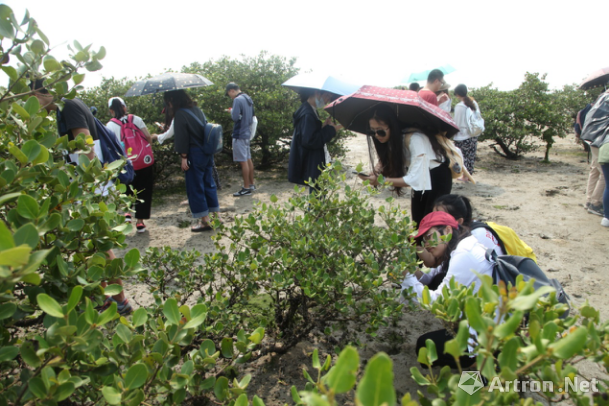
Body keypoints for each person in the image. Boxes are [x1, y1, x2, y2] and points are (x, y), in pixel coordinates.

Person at [31, 80, 132, 315]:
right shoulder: (66, 107)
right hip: (90, 184)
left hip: (90, 185)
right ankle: (107, 296)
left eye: (31, 96)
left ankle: (120, 300)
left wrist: (82, 188)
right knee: (91, 244)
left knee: (99, 242)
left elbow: (87, 147)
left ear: (39, 92)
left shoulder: (69, 106)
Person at [402, 211, 494, 368]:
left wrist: (405, 277)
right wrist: (407, 269)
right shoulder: (463, 245)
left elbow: (436, 302)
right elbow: (430, 278)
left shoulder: (464, 254)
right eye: (424, 240)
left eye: (430, 237)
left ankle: (480, 371)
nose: (427, 244)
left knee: (426, 346)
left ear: (448, 231)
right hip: (485, 322)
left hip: (490, 333)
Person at [358, 104, 452, 225]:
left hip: (437, 176)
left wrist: (381, 180)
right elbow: (387, 157)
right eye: (373, 131)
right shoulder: (393, 138)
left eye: (380, 131)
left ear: (392, 126)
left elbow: (414, 179)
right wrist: (376, 171)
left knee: (431, 222)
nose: (376, 135)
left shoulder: (416, 139)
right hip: (420, 175)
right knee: (417, 221)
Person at [164, 89, 219, 232]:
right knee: (209, 184)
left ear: (172, 100)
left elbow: (182, 139)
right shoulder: (197, 109)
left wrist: (183, 158)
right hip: (206, 152)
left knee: (195, 187)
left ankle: (205, 222)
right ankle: (215, 218)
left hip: (194, 154)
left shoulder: (180, 114)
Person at [106, 97, 154, 233]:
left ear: (111, 110)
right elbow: (148, 136)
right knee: (144, 190)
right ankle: (140, 222)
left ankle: (127, 213)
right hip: (143, 160)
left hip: (126, 163)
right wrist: (148, 149)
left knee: (125, 187)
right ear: (124, 107)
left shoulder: (110, 125)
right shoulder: (136, 119)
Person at [151, 109, 222, 191]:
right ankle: (213, 190)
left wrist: (156, 136)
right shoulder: (193, 111)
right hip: (205, 145)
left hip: (194, 150)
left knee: (197, 177)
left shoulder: (178, 116)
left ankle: (201, 195)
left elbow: (171, 134)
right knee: (208, 172)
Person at [288, 89, 342, 191]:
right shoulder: (307, 114)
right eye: (327, 96)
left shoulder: (309, 109)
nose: (328, 100)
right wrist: (332, 129)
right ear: (317, 93)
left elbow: (309, 134)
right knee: (317, 196)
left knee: (317, 193)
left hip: (312, 159)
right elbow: (310, 141)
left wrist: (322, 127)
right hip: (311, 161)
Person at [581, 91, 608, 217]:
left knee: (595, 169)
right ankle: (595, 203)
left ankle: (589, 199)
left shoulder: (602, 98)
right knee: (604, 172)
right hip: (602, 139)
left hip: (592, 137)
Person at [226, 83, 256, 197]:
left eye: (229, 94)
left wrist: (231, 111)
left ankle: (246, 188)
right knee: (248, 159)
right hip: (247, 132)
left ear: (232, 91)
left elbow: (235, 117)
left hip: (239, 134)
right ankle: (251, 184)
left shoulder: (238, 100)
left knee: (243, 162)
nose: (230, 97)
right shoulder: (248, 98)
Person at [452, 84, 481, 174]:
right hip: (473, 133)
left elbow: (457, 122)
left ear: (457, 94)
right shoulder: (473, 102)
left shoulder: (459, 106)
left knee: (461, 157)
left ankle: (464, 176)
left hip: (462, 135)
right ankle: (468, 175)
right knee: (470, 156)